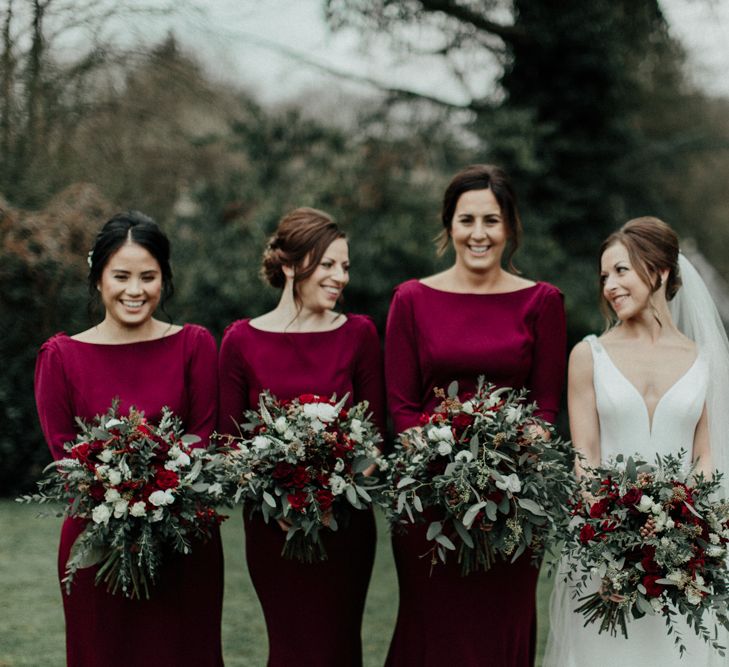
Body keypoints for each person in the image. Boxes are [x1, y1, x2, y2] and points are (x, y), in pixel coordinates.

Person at [384, 164, 567, 666]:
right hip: (430, 500)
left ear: (510, 226)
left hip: (515, 503)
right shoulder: (411, 299)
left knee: (500, 629)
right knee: (434, 629)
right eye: (467, 220)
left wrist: (510, 457)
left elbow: (546, 406)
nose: (479, 234)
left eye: (491, 220)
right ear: (449, 226)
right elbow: (400, 406)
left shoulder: (543, 302)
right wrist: (442, 463)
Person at [34, 211, 224, 667]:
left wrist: (162, 492)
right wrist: (118, 492)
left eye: (148, 276)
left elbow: (204, 437)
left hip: (184, 548)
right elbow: (66, 456)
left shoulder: (195, 346)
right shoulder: (60, 357)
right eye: (121, 276)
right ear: (98, 278)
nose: (135, 290)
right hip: (97, 548)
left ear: (165, 279)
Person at [544, 216, 729, 667]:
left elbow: (706, 454)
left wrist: (685, 527)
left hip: (683, 552)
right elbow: (584, 455)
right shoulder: (589, 355)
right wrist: (612, 534)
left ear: (659, 271)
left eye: (621, 271)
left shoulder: (704, 359)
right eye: (604, 275)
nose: (609, 285)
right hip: (604, 543)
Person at [218, 207, 385, 667]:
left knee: (339, 646)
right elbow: (229, 443)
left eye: (345, 266)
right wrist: (279, 497)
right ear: (290, 266)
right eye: (328, 264)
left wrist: (332, 494)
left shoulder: (360, 334)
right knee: (290, 648)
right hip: (274, 530)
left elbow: (376, 436)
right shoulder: (240, 341)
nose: (340, 277)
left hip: (346, 527)